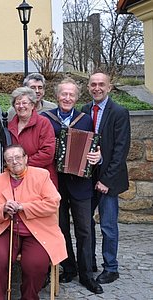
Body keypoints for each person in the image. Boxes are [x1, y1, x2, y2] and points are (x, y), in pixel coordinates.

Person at [42, 78, 103, 294]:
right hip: (55, 184)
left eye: (71, 95)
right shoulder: (45, 119)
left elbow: (95, 145)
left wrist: (98, 155)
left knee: (84, 230)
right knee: (60, 229)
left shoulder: (85, 120)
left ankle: (87, 275)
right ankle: (68, 267)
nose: (67, 98)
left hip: (81, 184)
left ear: (77, 98)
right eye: (63, 94)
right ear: (57, 96)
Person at [0, 144, 67, 300]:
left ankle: (29, 297)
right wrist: (2, 209)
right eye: (10, 159)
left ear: (26, 158)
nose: (14, 162)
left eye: (18, 157)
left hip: (38, 231)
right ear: (5, 163)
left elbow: (53, 203)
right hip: (7, 229)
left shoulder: (41, 175)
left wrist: (23, 207)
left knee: (35, 263)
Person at [82, 72, 130, 284]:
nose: (97, 88)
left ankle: (111, 268)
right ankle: (88, 263)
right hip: (87, 180)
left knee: (108, 226)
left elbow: (121, 150)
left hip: (108, 181)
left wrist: (106, 180)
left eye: (102, 84)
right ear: (88, 87)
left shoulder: (119, 112)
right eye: (93, 84)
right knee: (86, 225)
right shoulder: (84, 110)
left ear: (109, 87)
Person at [7, 86, 57, 188]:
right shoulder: (9, 126)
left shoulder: (43, 123)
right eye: (17, 103)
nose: (21, 106)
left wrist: (22, 165)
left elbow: (47, 153)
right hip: (16, 179)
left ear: (32, 105)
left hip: (40, 178)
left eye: (24, 103)